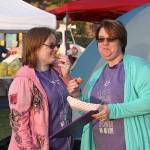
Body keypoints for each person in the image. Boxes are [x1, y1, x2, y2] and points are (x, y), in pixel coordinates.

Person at [80, 19, 150, 150]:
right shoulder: (96, 74)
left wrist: (112, 111)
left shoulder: (139, 67)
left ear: (121, 41)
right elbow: (90, 111)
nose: (105, 43)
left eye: (111, 38)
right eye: (101, 39)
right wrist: (77, 96)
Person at [8, 27, 80, 150]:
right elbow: (19, 124)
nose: (56, 49)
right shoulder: (24, 80)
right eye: (51, 46)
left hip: (63, 144)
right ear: (35, 48)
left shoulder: (58, 71)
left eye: (56, 45)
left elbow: (76, 100)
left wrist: (67, 76)